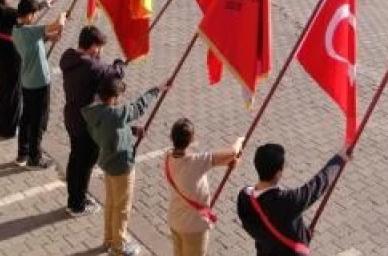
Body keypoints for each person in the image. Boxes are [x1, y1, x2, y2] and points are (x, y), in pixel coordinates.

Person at [83, 75, 169, 256]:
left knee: (112, 204)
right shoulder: (115, 114)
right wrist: (156, 90)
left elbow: (110, 129)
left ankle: (109, 239)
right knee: (122, 207)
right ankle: (119, 246)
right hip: (122, 166)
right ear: (113, 98)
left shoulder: (93, 112)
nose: (120, 100)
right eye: (119, 97)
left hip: (108, 163)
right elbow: (138, 107)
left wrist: (131, 130)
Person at [236, 143, 349, 256]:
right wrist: (340, 158)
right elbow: (320, 183)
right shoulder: (288, 201)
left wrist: (303, 233)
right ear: (278, 173)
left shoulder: (244, 198)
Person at [61, 25, 126, 216]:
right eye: (99, 47)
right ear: (93, 47)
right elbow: (115, 73)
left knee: (76, 159)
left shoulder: (68, 56)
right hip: (86, 123)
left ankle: (75, 195)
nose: (100, 52)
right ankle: (77, 204)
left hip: (71, 116)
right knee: (86, 162)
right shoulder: (92, 67)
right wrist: (120, 63)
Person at [164, 118, 242, 256]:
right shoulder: (195, 161)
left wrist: (230, 162)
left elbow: (225, 159)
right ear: (191, 139)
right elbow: (232, 152)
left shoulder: (167, 157)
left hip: (175, 220)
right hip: (193, 226)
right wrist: (240, 140)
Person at [13, 0, 66, 168]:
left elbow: (36, 40)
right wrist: (63, 16)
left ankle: (23, 153)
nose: (35, 17)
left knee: (27, 118)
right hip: (40, 82)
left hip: (27, 81)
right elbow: (56, 24)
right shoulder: (30, 31)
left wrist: (49, 38)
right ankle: (35, 158)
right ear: (28, 15)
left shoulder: (17, 29)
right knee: (39, 121)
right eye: (34, 14)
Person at [0, 0, 39, 137]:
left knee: (4, 90)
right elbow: (25, 16)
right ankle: (8, 128)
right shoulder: (7, 12)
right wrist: (44, 5)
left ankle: (1, 123)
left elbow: (22, 16)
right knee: (14, 93)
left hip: (0, 54)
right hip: (12, 57)